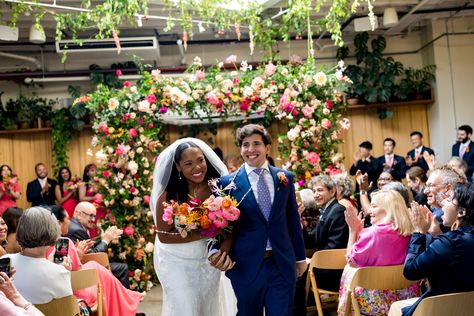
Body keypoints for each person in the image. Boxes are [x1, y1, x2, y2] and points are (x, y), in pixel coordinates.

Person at [209, 124, 306, 315]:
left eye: (256, 144)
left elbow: (292, 221)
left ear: (267, 147)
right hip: (245, 266)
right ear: (240, 149)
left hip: (281, 263)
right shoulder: (227, 184)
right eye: (245, 145)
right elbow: (220, 226)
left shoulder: (284, 178)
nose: (251, 149)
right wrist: (215, 250)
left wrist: (300, 258)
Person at [150, 137, 236, 316]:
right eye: (189, 163)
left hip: (206, 261)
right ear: (178, 167)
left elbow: (231, 222)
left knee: (208, 306)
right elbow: (164, 236)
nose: (197, 168)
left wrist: (224, 248)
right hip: (176, 261)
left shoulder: (218, 188)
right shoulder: (169, 195)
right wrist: (207, 231)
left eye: (200, 160)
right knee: (185, 307)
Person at [388, 182, 474, 316]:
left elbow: (410, 271)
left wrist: (418, 232)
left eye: (449, 199)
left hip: (442, 309)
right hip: (468, 309)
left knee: (395, 307)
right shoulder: (455, 240)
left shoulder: (451, 242)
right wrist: (437, 234)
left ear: (462, 211)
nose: (443, 203)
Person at [48, 205, 142, 316]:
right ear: (58, 223)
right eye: (67, 219)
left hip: (55, 290)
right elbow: (69, 272)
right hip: (72, 292)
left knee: (98, 270)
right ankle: (124, 305)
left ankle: (125, 300)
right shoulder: (62, 243)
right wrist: (77, 255)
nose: (69, 221)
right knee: (100, 277)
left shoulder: (41, 245)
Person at [338, 190, 420, 315]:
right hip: (407, 297)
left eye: (374, 206)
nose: (369, 211)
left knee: (349, 271)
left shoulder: (372, 234)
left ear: (389, 209)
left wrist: (353, 231)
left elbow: (351, 261)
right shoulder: (412, 232)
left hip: (375, 301)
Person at [4, 207, 73, 304]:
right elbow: (67, 309)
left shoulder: (5, 261)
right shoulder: (59, 272)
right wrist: (59, 270)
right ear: (52, 231)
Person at [67, 202, 130, 289]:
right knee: (123, 267)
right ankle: (123, 299)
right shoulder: (78, 230)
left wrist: (102, 238)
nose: (93, 220)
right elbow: (92, 255)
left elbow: (89, 245)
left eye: (94, 216)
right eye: (91, 216)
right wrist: (105, 241)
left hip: (80, 265)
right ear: (79, 214)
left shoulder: (74, 225)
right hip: (82, 269)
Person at [78, 164, 103, 238]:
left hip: (101, 209)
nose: (95, 171)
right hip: (90, 210)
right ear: (87, 173)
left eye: (96, 170)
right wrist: (94, 197)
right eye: (92, 170)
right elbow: (81, 198)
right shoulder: (83, 184)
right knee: (92, 227)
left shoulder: (100, 182)